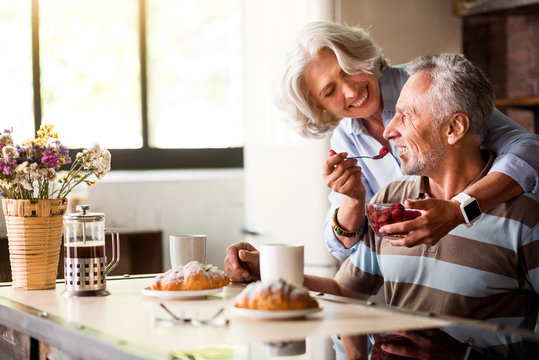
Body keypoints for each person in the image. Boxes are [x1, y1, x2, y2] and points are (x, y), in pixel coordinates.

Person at [226, 54, 539, 359]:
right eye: (330, 90)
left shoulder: (526, 219)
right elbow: (346, 291)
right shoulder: (388, 200)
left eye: (406, 116)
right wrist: (269, 274)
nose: (389, 132)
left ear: (454, 128)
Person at [273, 21, 539, 263]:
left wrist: (459, 210)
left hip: (497, 251)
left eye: (349, 69)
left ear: (360, 55)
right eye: (329, 91)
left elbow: (530, 150)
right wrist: (353, 200)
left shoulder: (427, 84)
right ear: (317, 107)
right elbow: (343, 245)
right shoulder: (345, 137)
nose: (351, 90)